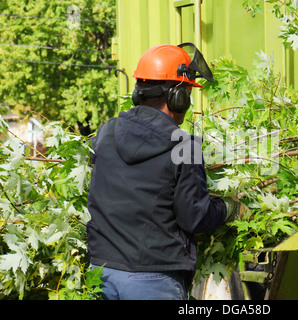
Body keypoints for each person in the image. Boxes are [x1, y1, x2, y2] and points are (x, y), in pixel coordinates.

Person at [86, 43, 248, 300]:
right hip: (152, 279)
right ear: (177, 97)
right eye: (187, 93)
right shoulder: (184, 147)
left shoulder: (106, 132)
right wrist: (230, 208)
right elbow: (194, 216)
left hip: (101, 273)